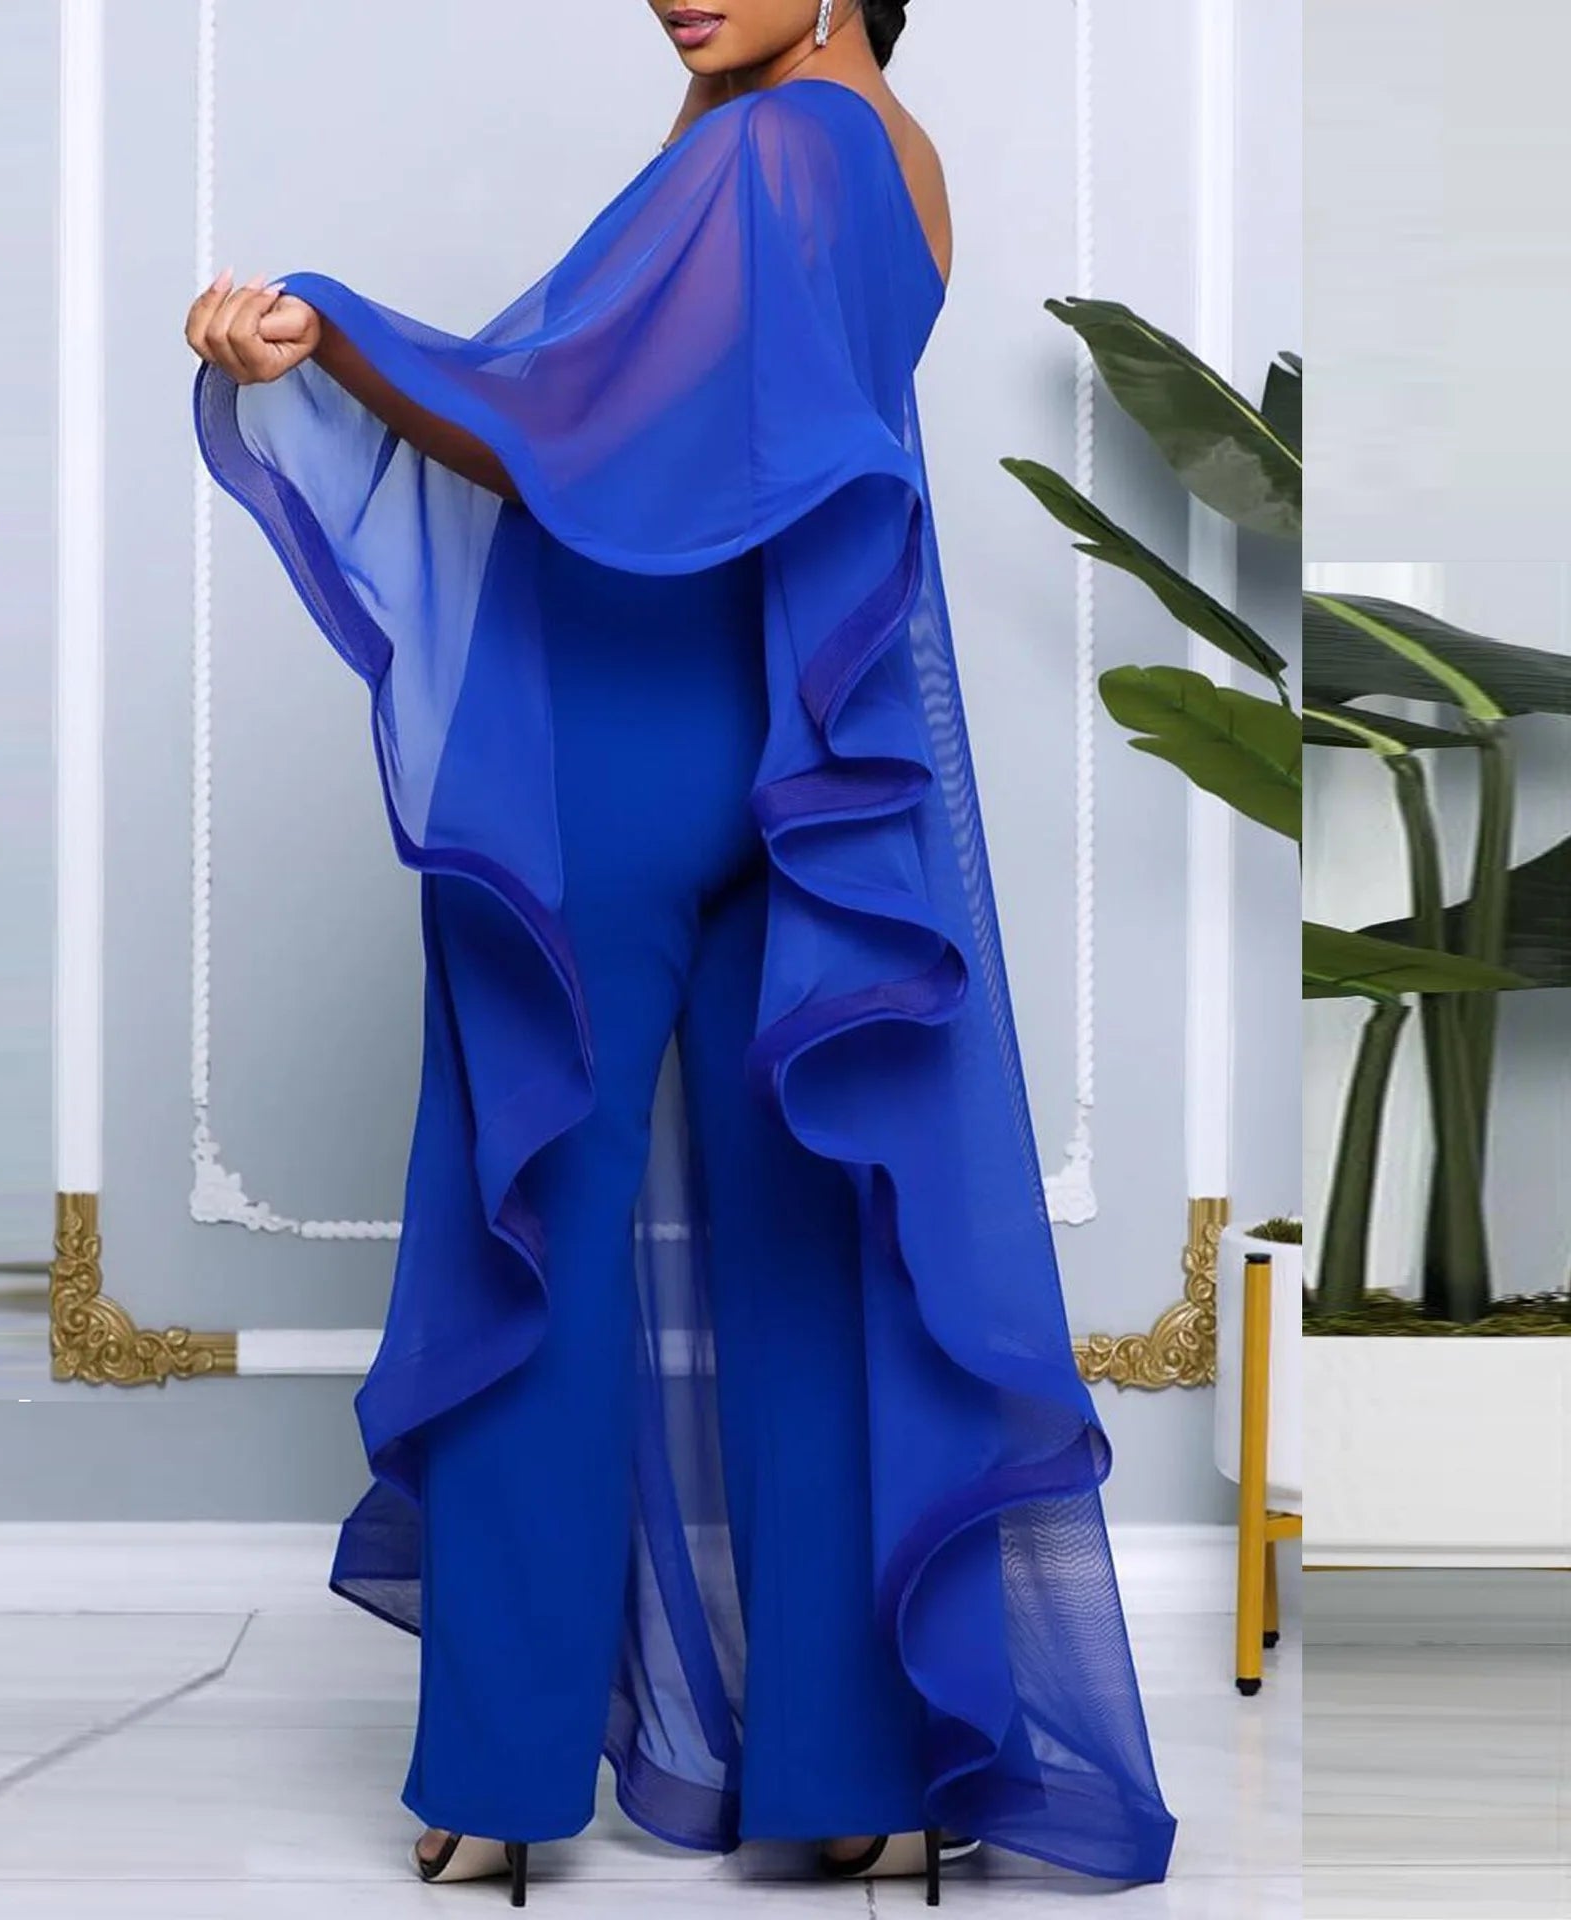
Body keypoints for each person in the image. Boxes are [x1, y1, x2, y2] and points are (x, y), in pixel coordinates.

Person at [185, 0, 1177, 1904]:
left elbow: (557, 427)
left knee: (530, 1238)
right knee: (806, 1254)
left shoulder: (761, 150)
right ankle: (854, 1770)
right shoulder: (896, 162)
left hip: (608, 752)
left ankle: (502, 1773)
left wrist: (327, 326)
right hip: (804, 756)